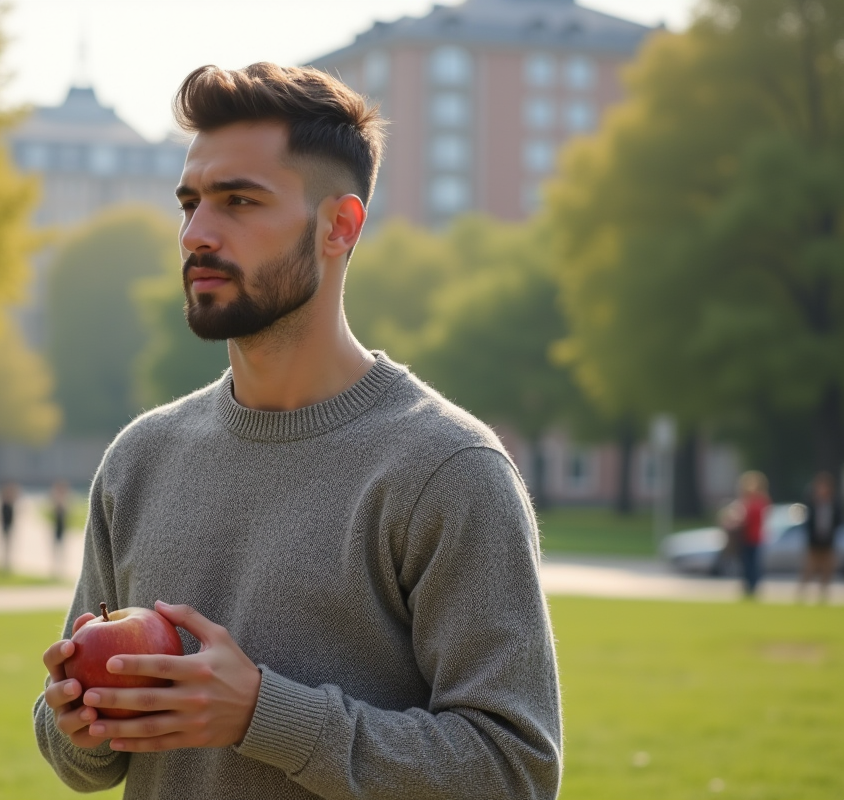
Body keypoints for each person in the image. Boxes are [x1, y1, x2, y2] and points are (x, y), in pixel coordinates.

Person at [34, 63, 561, 800]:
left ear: (339, 227)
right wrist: (75, 719)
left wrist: (261, 715)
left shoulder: (448, 467)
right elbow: (87, 764)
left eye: (239, 202)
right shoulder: (140, 458)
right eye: (189, 204)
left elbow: (514, 771)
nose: (196, 235)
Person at [721, 470, 771, 599]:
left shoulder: (759, 502)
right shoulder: (744, 502)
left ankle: (753, 587)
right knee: (746, 564)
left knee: (753, 564)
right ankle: (747, 587)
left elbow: (752, 518)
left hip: (754, 537)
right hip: (744, 538)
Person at [798, 472, 841, 604]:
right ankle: (801, 596)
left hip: (828, 543)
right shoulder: (811, 504)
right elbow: (807, 524)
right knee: (808, 570)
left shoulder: (834, 504)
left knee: (827, 571)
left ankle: (823, 596)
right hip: (813, 543)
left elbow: (837, 522)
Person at [50, 480, 70, 580]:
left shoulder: (65, 500)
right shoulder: (56, 500)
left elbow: (67, 512)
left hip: (62, 527)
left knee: (61, 547)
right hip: (56, 526)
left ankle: (61, 568)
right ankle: (55, 567)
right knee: (56, 547)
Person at [0, 482, 18, 575]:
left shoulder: (11, 503)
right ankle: (2, 564)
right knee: (3, 545)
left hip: (9, 526)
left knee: (8, 546)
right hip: (4, 526)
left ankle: (7, 564)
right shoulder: (4, 504)